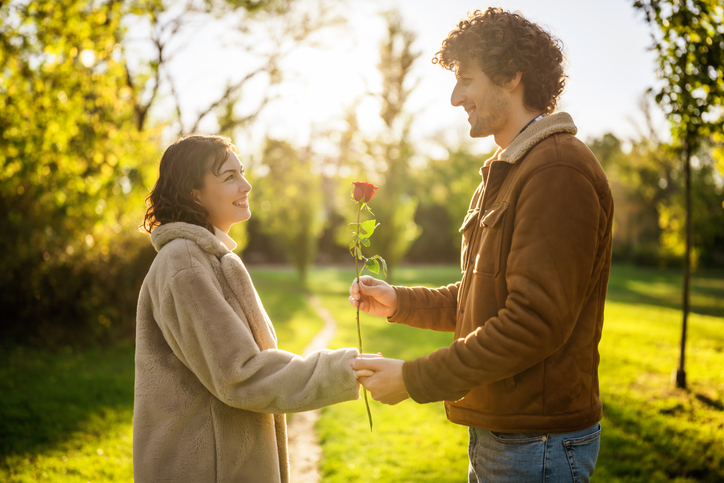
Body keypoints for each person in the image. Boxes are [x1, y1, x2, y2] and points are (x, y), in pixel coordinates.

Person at [349, 8, 614, 483]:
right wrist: (400, 301)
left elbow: (532, 323)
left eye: (466, 80)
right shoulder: (509, 169)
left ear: (512, 75)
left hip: (538, 445)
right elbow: (483, 297)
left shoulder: (556, 169)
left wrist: (413, 379)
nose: (455, 98)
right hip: (509, 434)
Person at [134, 134, 369, 483]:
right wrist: (342, 368)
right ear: (193, 192)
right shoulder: (183, 262)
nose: (246, 185)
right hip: (203, 469)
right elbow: (239, 374)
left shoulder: (207, 258)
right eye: (229, 177)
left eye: (241, 173)